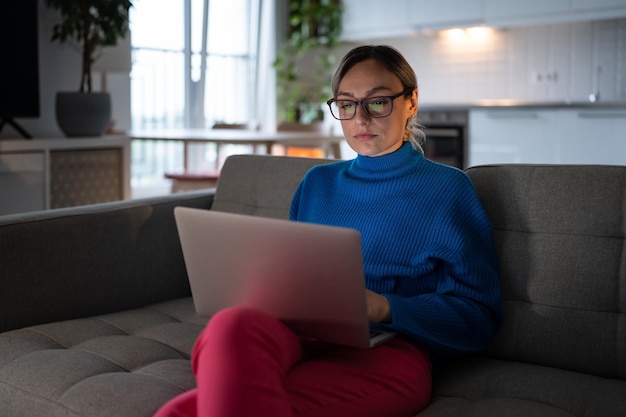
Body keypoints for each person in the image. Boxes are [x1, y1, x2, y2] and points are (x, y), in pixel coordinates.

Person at [155, 45, 502, 417]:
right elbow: (290, 273)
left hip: (390, 349)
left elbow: (478, 319)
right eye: (347, 104)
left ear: (411, 101)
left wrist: (383, 306)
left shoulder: (448, 189)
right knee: (231, 323)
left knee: (180, 413)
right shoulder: (317, 182)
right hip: (300, 334)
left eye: (378, 102)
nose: (361, 118)